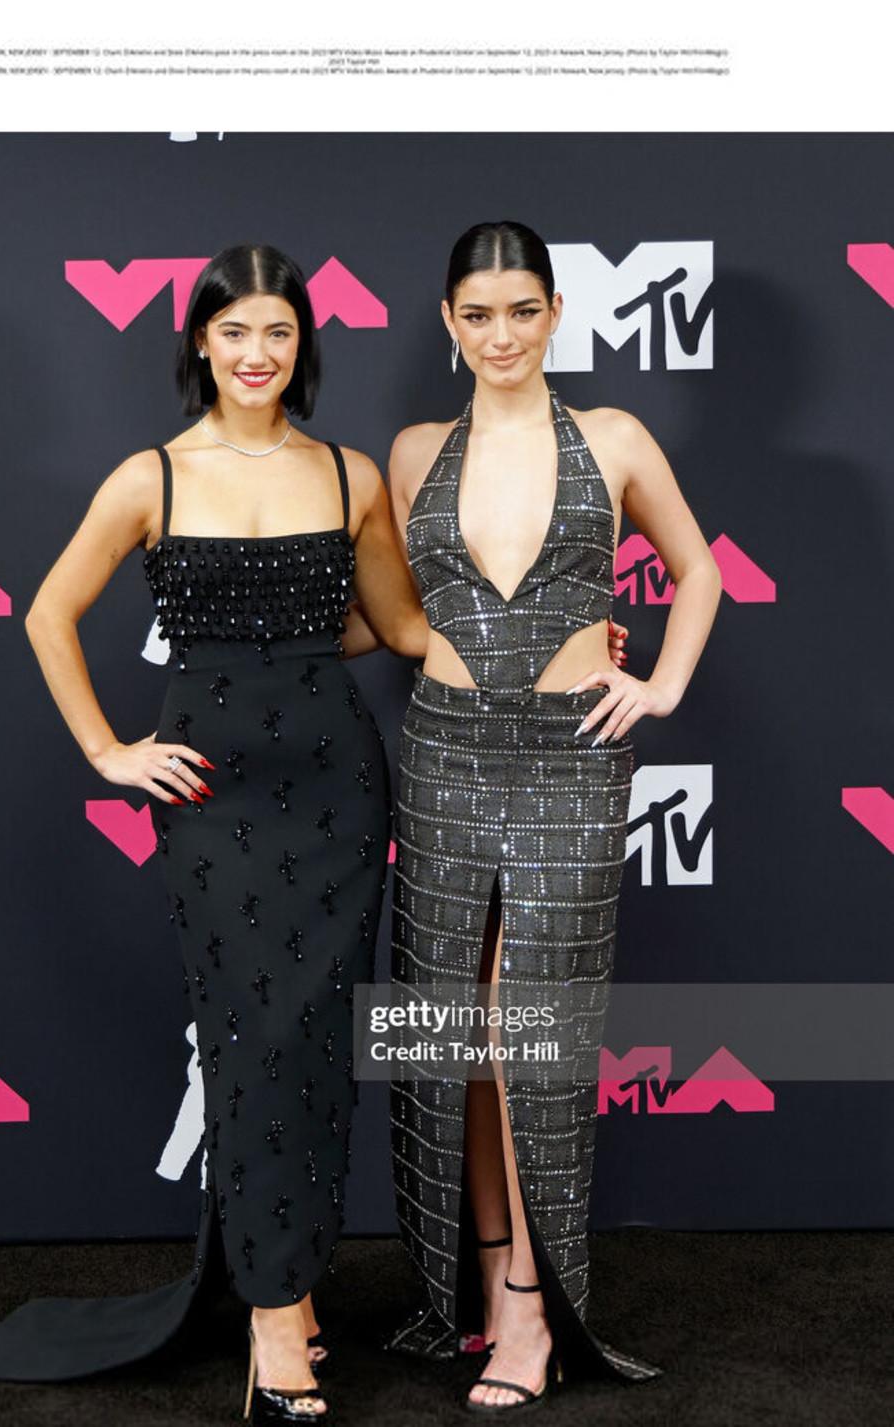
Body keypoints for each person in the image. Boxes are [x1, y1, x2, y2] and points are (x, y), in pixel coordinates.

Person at [0, 243, 428, 1424]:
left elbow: (400, 627)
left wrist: (560, 646)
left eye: (279, 332)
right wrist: (109, 750)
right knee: (250, 1040)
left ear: (304, 345)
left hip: (335, 787)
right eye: (235, 330)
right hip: (212, 795)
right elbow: (46, 611)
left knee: (315, 1042)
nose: (258, 353)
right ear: (200, 341)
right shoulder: (149, 476)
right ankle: (271, 1308)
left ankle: (294, 1283)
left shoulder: (350, 473)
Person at [381, 220, 721, 1410]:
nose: (502, 334)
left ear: (557, 312)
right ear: (448, 321)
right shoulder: (413, 451)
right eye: (478, 314)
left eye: (522, 310)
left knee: (533, 1030)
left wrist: (657, 682)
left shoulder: (614, 437)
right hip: (443, 747)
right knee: (461, 1028)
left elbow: (700, 568)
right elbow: (400, 614)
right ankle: (481, 1271)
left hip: (573, 756)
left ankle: (534, 1299)